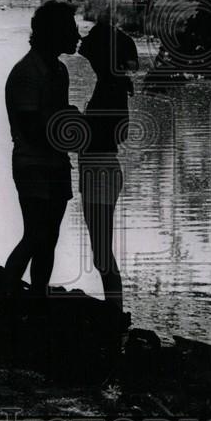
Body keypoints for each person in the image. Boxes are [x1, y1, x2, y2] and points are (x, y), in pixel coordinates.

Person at [3, 0, 81, 309]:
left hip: (56, 162)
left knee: (49, 238)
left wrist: (69, 123)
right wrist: (72, 125)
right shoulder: (26, 72)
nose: (77, 35)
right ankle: (5, 296)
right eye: (71, 29)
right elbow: (32, 129)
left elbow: (54, 120)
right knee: (35, 235)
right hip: (33, 164)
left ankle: (36, 300)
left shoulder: (58, 70)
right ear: (55, 33)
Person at [77, 17, 139, 313]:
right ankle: (114, 310)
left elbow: (111, 133)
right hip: (101, 169)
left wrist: (78, 124)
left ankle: (115, 312)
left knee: (102, 253)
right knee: (101, 252)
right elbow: (121, 131)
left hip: (99, 170)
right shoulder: (110, 84)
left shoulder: (109, 86)